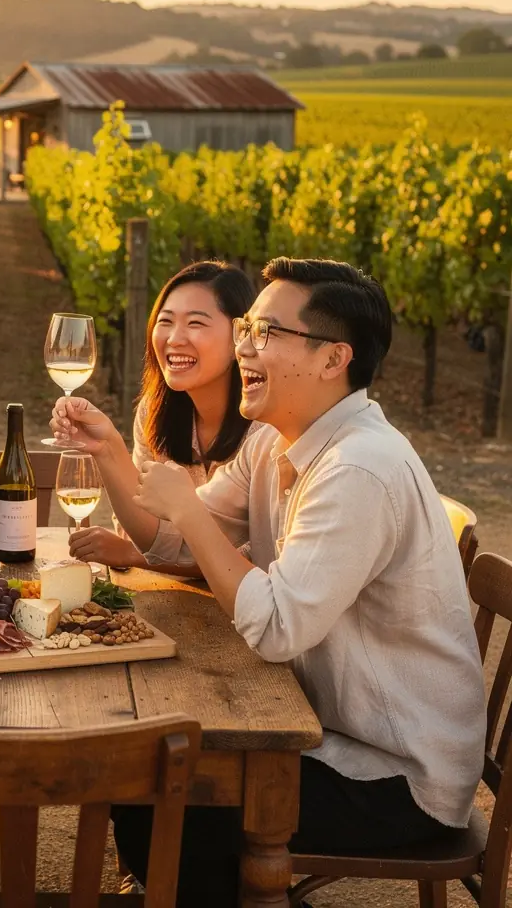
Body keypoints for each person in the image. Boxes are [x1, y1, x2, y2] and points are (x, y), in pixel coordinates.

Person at [55, 258, 486, 907]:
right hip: (336, 730)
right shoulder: (275, 440)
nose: (247, 346)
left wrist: (193, 510)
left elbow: (276, 626)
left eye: (267, 332)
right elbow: (170, 539)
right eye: (248, 328)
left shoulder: (357, 470)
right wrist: (115, 448)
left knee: (167, 797)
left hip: (396, 774)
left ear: (332, 358)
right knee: (149, 788)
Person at [55, 261, 255, 575]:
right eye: (166, 321)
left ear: (239, 337)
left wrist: (136, 556)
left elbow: (248, 557)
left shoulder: (264, 427)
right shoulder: (155, 410)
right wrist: (107, 447)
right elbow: (145, 529)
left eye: (196, 323)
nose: (175, 338)